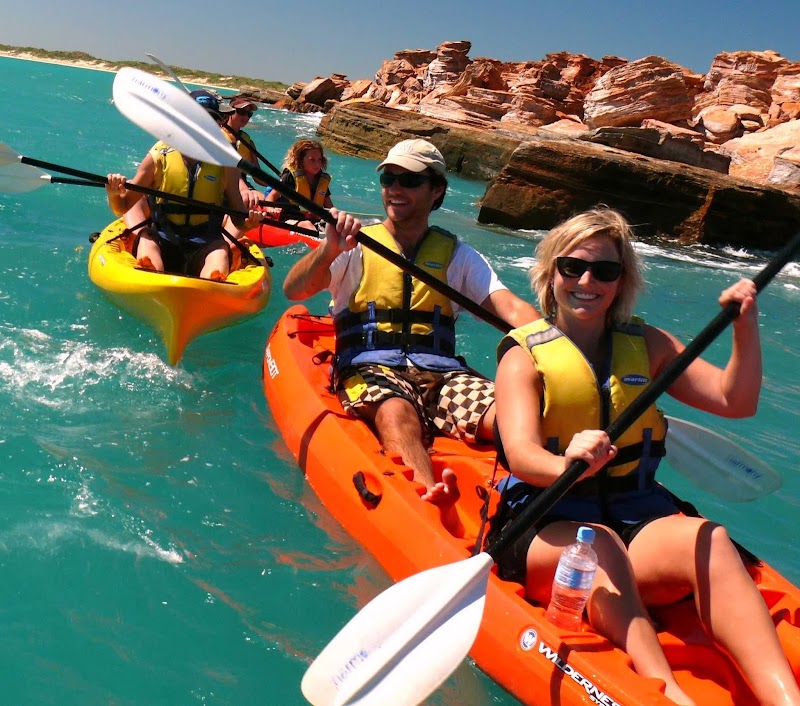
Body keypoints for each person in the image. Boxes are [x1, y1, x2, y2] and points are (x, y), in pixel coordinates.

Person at [490, 207, 800, 706]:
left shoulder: (648, 344)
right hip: (547, 523)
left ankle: (785, 698)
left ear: (621, 282)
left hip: (636, 514)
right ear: (552, 274)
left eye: (605, 271)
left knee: (710, 539)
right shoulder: (524, 356)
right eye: (573, 267)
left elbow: (734, 402)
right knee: (600, 548)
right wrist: (565, 460)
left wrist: (745, 327)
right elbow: (523, 456)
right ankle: (669, 694)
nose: (586, 281)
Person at [283, 138, 539, 530]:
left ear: (436, 190)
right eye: (389, 178)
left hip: (444, 374)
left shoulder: (457, 255)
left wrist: (560, 348)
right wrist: (329, 249)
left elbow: (510, 308)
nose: (395, 189)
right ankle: (432, 511)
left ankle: (538, 511)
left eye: (409, 180)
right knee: (396, 411)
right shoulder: (356, 245)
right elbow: (294, 289)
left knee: (513, 414)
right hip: (372, 369)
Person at [105, 90, 258, 280]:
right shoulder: (159, 156)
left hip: (205, 242)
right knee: (147, 241)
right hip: (163, 239)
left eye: (211, 121)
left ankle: (210, 289)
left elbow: (237, 217)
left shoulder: (226, 163)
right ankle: (152, 283)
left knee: (219, 252)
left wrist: (248, 223)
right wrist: (113, 195)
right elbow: (122, 206)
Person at [265, 139, 334, 233]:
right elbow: (270, 197)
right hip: (289, 220)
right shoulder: (290, 177)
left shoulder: (321, 180)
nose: (317, 164)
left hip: (314, 222)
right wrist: (271, 209)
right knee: (307, 225)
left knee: (335, 226)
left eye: (319, 160)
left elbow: (330, 208)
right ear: (300, 160)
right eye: (312, 160)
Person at [221, 96, 268, 208]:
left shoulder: (248, 142)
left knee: (262, 200)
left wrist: (278, 187)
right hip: (221, 183)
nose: (246, 117)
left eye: (249, 114)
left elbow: (257, 176)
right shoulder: (219, 136)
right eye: (242, 112)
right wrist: (244, 189)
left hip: (243, 185)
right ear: (230, 112)